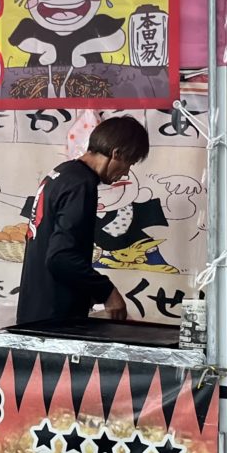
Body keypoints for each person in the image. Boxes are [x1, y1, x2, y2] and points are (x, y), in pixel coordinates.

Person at [16, 115, 151, 324]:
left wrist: (85, 290)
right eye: (129, 163)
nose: (125, 173)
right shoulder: (81, 183)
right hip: (54, 319)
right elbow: (61, 257)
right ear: (116, 153)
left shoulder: (62, 173)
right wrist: (107, 291)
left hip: (35, 309)